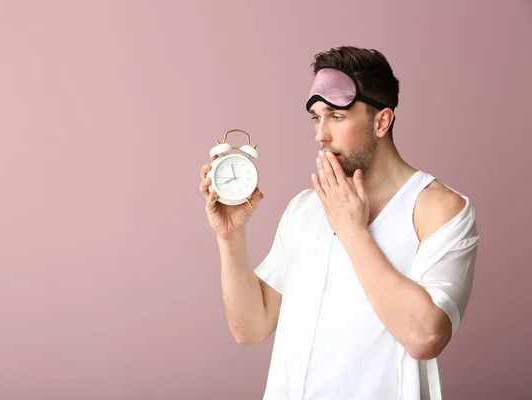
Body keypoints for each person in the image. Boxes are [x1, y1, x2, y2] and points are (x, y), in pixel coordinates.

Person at [198, 46, 479, 400]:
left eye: (337, 116)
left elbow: (426, 337)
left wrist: (351, 229)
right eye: (316, 118)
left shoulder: (438, 209)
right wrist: (230, 236)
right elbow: (251, 328)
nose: (321, 135)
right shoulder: (305, 208)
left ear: (381, 121)